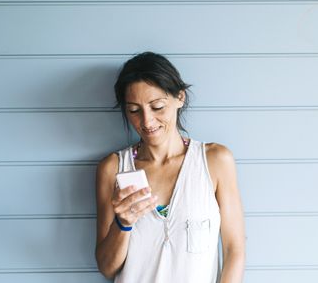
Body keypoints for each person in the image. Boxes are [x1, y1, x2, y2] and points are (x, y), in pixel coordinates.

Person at [95, 51, 246, 283]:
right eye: (134, 110)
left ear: (180, 98)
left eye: (157, 107)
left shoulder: (215, 161)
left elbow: (234, 249)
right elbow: (107, 267)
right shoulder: (113, 168)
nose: (147, 122)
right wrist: (122, 224)